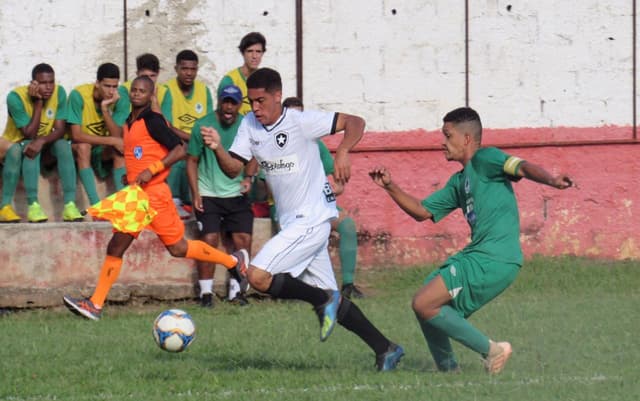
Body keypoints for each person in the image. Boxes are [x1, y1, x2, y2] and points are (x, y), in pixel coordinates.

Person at [201, 67, 404, 371]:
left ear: (277, 96)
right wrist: (217, 148)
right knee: (334, 300)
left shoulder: (300, 122)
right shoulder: (250, 125)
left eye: (260, 101)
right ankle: (386, 348)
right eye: (251, 101)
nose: (255, 108)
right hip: (294, 224)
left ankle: (321, 301)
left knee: (257, 276)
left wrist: (343, 151)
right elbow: (234, 169)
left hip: (310, 220)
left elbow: (355, 122)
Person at [369, 106, 574, 374]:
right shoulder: (459, 181)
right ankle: (448, 371)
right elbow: (422, 212)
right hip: (481, 256)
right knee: (429, 298)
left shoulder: (486, 158)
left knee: (424, 302)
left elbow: (521, 166)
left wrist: (551, 179)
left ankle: (493, 350)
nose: (443, 142)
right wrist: (390, 187)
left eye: (447, 135)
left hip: (494, 258)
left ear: (466, 139)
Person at [63, 76, 248, 321]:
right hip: (140, 195)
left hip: (154, 195)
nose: (137, 94)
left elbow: (180, 149)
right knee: (172, 248)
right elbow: (136, 150)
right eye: (135, 90)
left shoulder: (153, 120)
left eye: (143, 91)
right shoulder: (131, 121)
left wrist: (152, 169)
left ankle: (95, 305)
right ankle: (233, 262)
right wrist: (131, 175)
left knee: (159, 247)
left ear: (151, 95)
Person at [282, 96, 363, 299]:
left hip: (319, 205)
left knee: (347, 225)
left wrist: (338, 185)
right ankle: (300, 288)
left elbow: (335, 179)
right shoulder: (276, 145)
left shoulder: (314, 144)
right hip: (290, 209)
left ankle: (348, 285)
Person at [186, 84, 257, 307]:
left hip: (236, 193)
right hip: (209, 193)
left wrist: (248, 178)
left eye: (233, 102)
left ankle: (235, 292)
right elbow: (192, 161)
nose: (228, 107)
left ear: (239, 105)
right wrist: (195, 193)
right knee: (209, 240)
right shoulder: (203, 125)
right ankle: (206, 293)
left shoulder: (247, 126)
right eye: (225, 101)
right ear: (219, 102)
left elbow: (256, 152)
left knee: (242, 240)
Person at [0, 63, 83, 223]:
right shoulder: (15, 97)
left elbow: (59, 129)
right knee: (27, 146)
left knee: (63, 145)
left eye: (51, 82)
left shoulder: (59, 93)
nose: (49, 87)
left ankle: (70, 205)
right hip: (15, 145)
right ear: (33, 83)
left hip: (42, 144)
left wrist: (42, 140)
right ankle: (30, 205)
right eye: (43, 83)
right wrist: (37, 103)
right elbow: (29, 133)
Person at [68, 62, 130, 206]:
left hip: (100, 148)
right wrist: (111, 141)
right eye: (107, 86)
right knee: (84, 147)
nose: (111, 91)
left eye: (114, 86)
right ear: (97, 83)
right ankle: (96, 206)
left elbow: (117, 136)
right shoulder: (79, 95)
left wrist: (105, 109)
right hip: (76, 147)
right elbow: (76, 135)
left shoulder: (119, 98)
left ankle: (125, 205)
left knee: (119, 151)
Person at [161, 50, 214, 219]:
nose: (189, 73)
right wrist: (192, 139)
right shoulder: (167, 89)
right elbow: (166, 125)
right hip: (175, 139)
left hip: (198, 140)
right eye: (184, 69)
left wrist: (199, 139)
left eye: (193, 69)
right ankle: (175, 199)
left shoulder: (203, 91)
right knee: (181, 148)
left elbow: (210, 121)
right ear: (176, 68)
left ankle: (204, 199)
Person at [217, 32, 266, 116]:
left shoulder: (265, 79)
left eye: (258, 51)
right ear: (242, 53)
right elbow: (221, 115)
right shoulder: (229, 80)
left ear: (262, 54)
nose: (254, 56)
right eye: (250, 51)